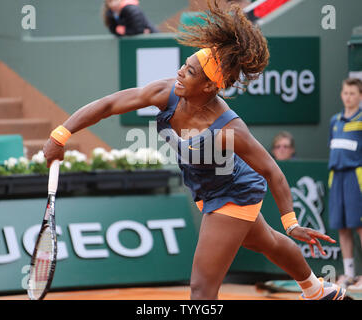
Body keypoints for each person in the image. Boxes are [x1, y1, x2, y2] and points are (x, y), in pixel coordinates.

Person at [44, 0, 345, 300]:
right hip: (207, 191)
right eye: (184, 65)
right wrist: (60, 135)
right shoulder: (166, 92)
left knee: (201, 291)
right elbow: (109, 105)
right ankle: (318, 291)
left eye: (189, 72)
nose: (179, 73)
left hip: (233, 195)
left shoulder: (229, 128)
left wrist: (291, 223)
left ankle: (316, 290)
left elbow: (271, 171)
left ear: (208, 87)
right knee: (265, 242)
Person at [328, 78, 362, 290]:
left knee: (359, 226)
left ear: (360, 96)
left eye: (353, 93)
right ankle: (349, 274)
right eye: (346, 93)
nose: (348, 97)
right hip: (337, 177)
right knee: (342, 227)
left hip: (355, 178)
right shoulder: (335, 121)